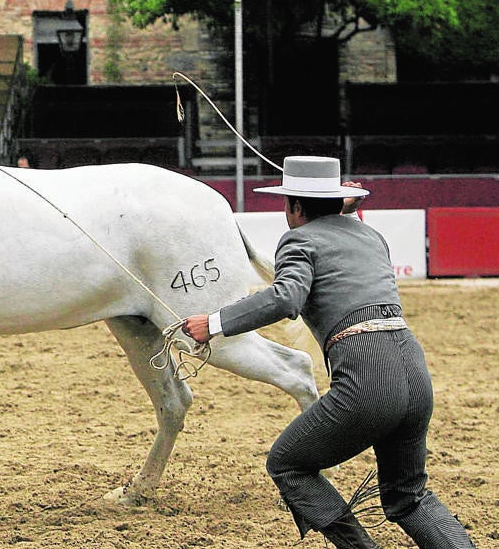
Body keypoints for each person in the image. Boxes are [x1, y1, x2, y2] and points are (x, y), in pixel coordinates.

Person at [181, 156, 475, 549]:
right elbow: (339, 240)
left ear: (296, 207)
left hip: (367, 379)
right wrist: (343, 208)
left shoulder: (298, 239)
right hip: (414, 372)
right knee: (408, 497)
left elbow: (286, 298)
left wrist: (214, 323)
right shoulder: (372, 237)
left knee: (288, 463)